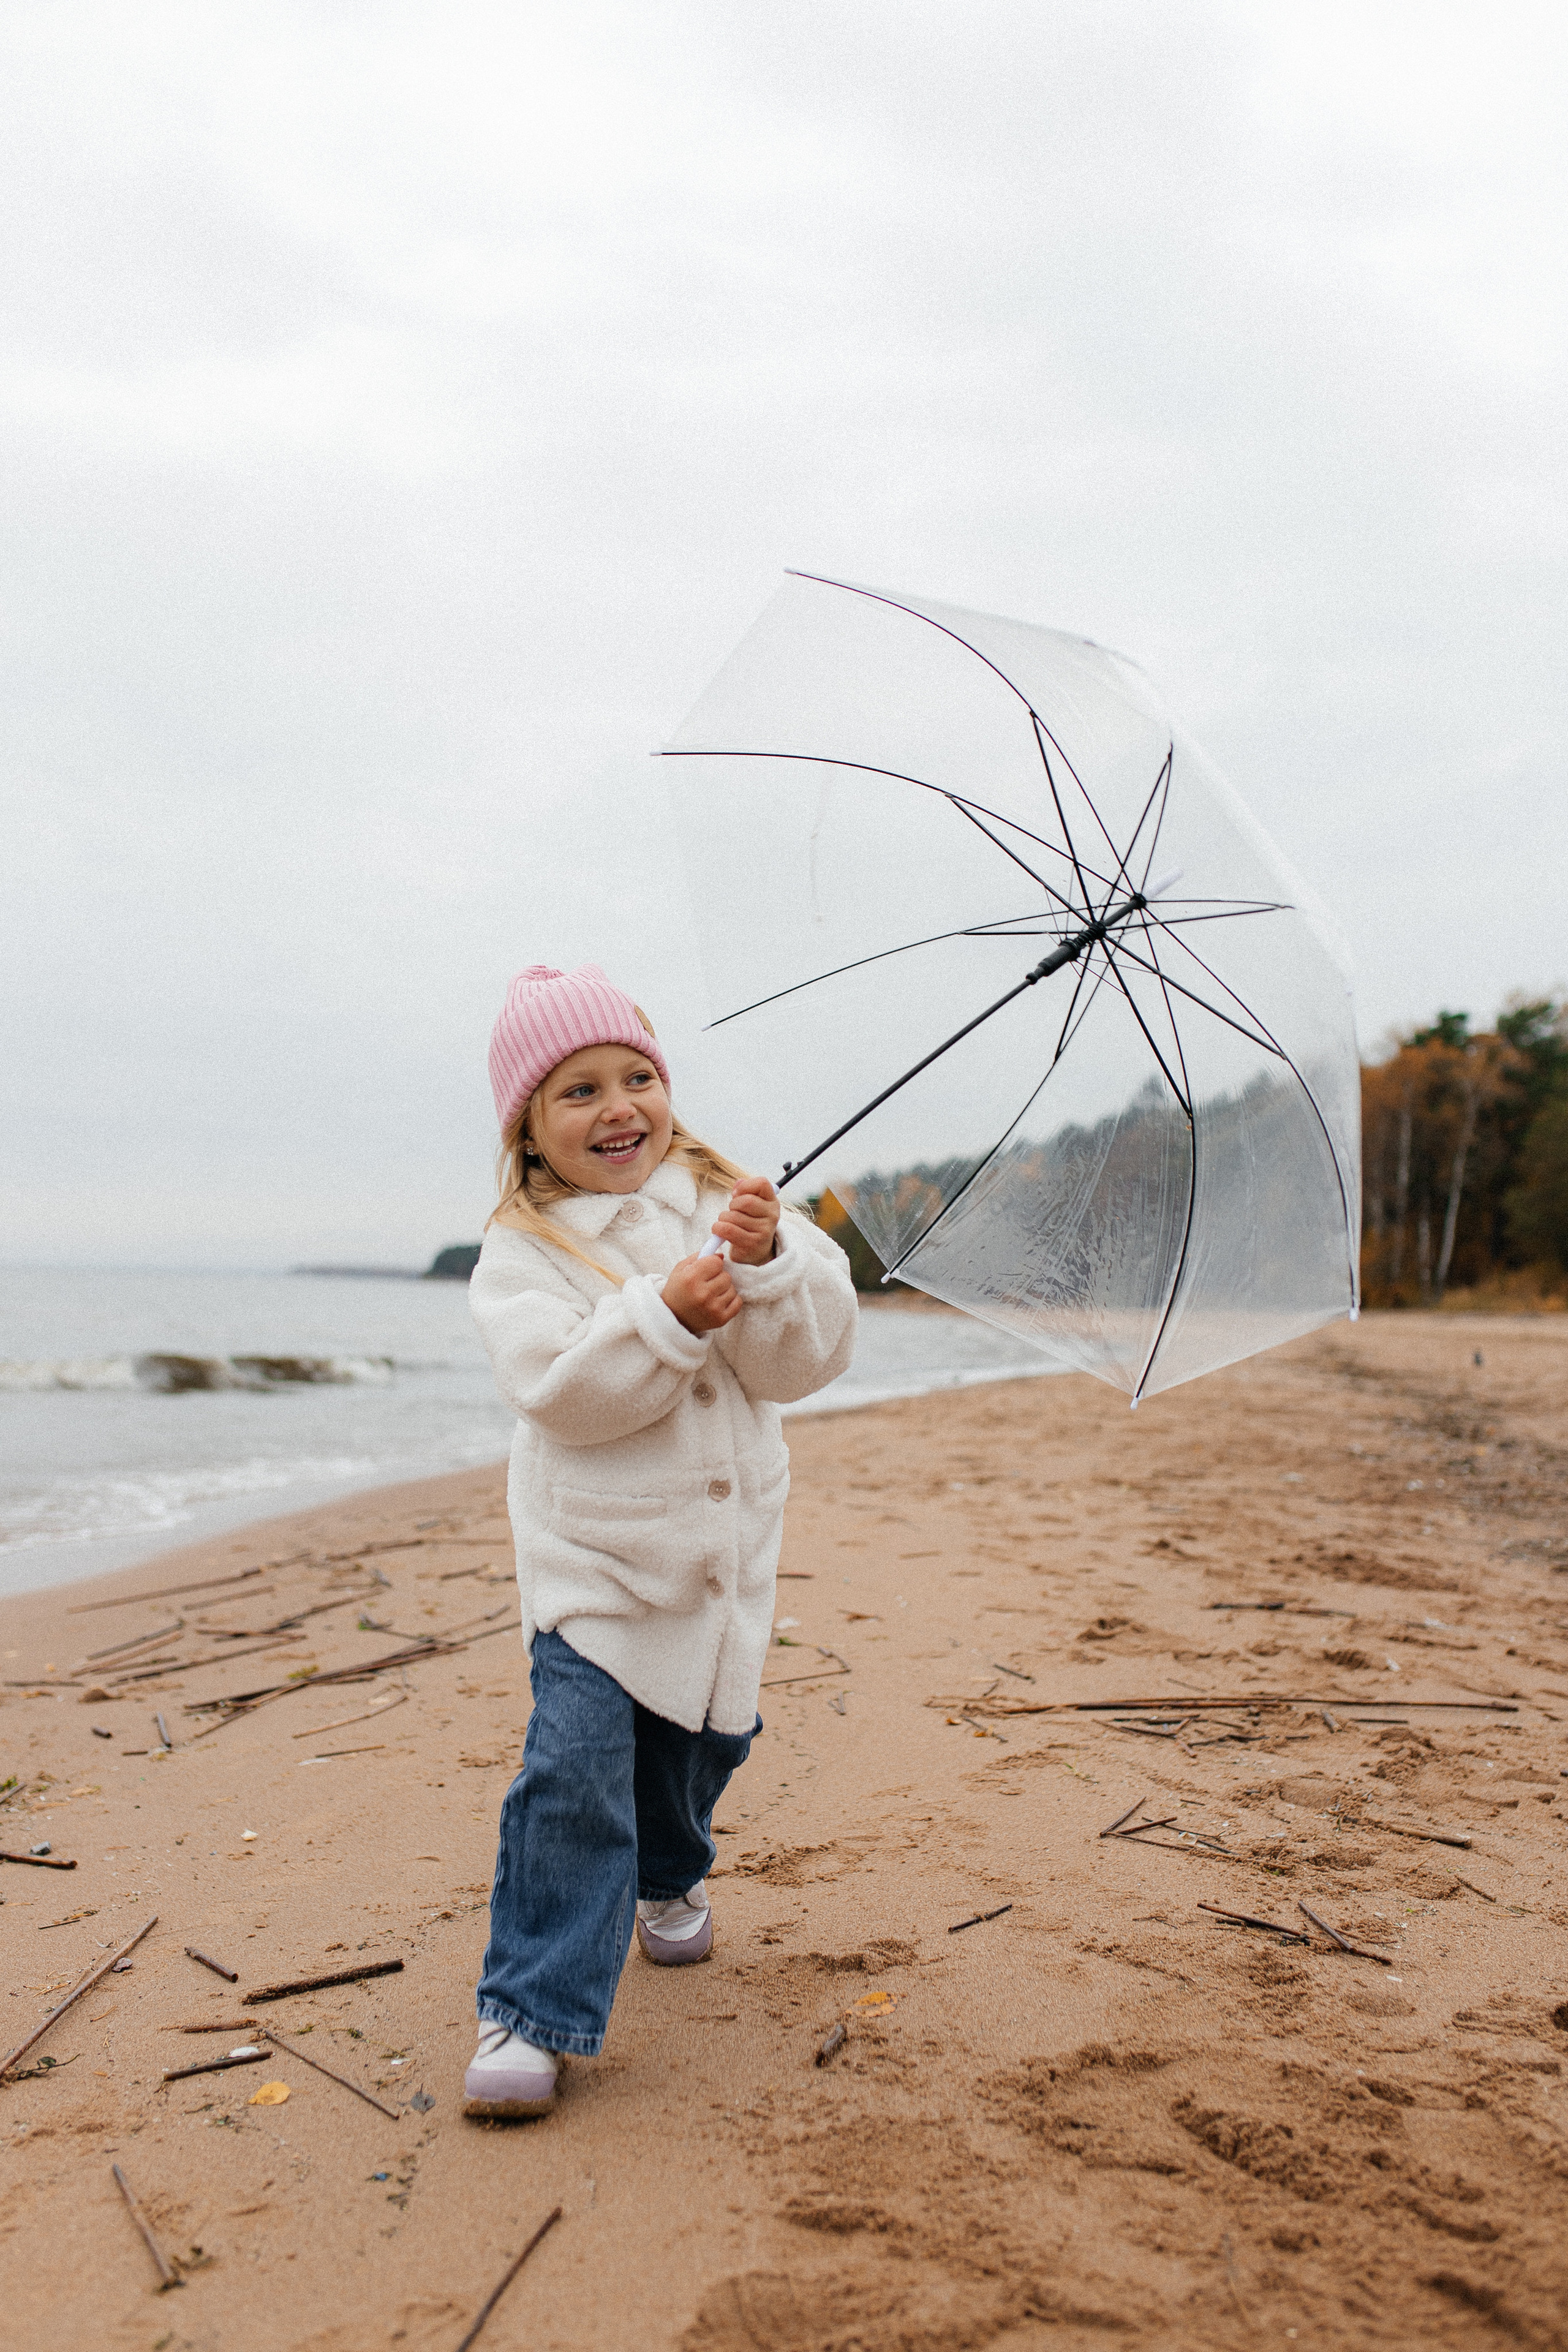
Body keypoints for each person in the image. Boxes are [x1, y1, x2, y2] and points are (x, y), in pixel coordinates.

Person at [463, 962, 858, 2116]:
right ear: (529, 1133)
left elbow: (807, 1363)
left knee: (696, 1756)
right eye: (577, 1090)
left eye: (638, 1076)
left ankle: (672, 1877)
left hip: (717, 1557)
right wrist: (665, 1316)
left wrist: (773, 1264)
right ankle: (531, 2008)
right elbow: (561, 1394)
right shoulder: (523, 1250)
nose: (619, 1105)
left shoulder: (731, 1201)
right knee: (576, 1772)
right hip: (591, 1562)